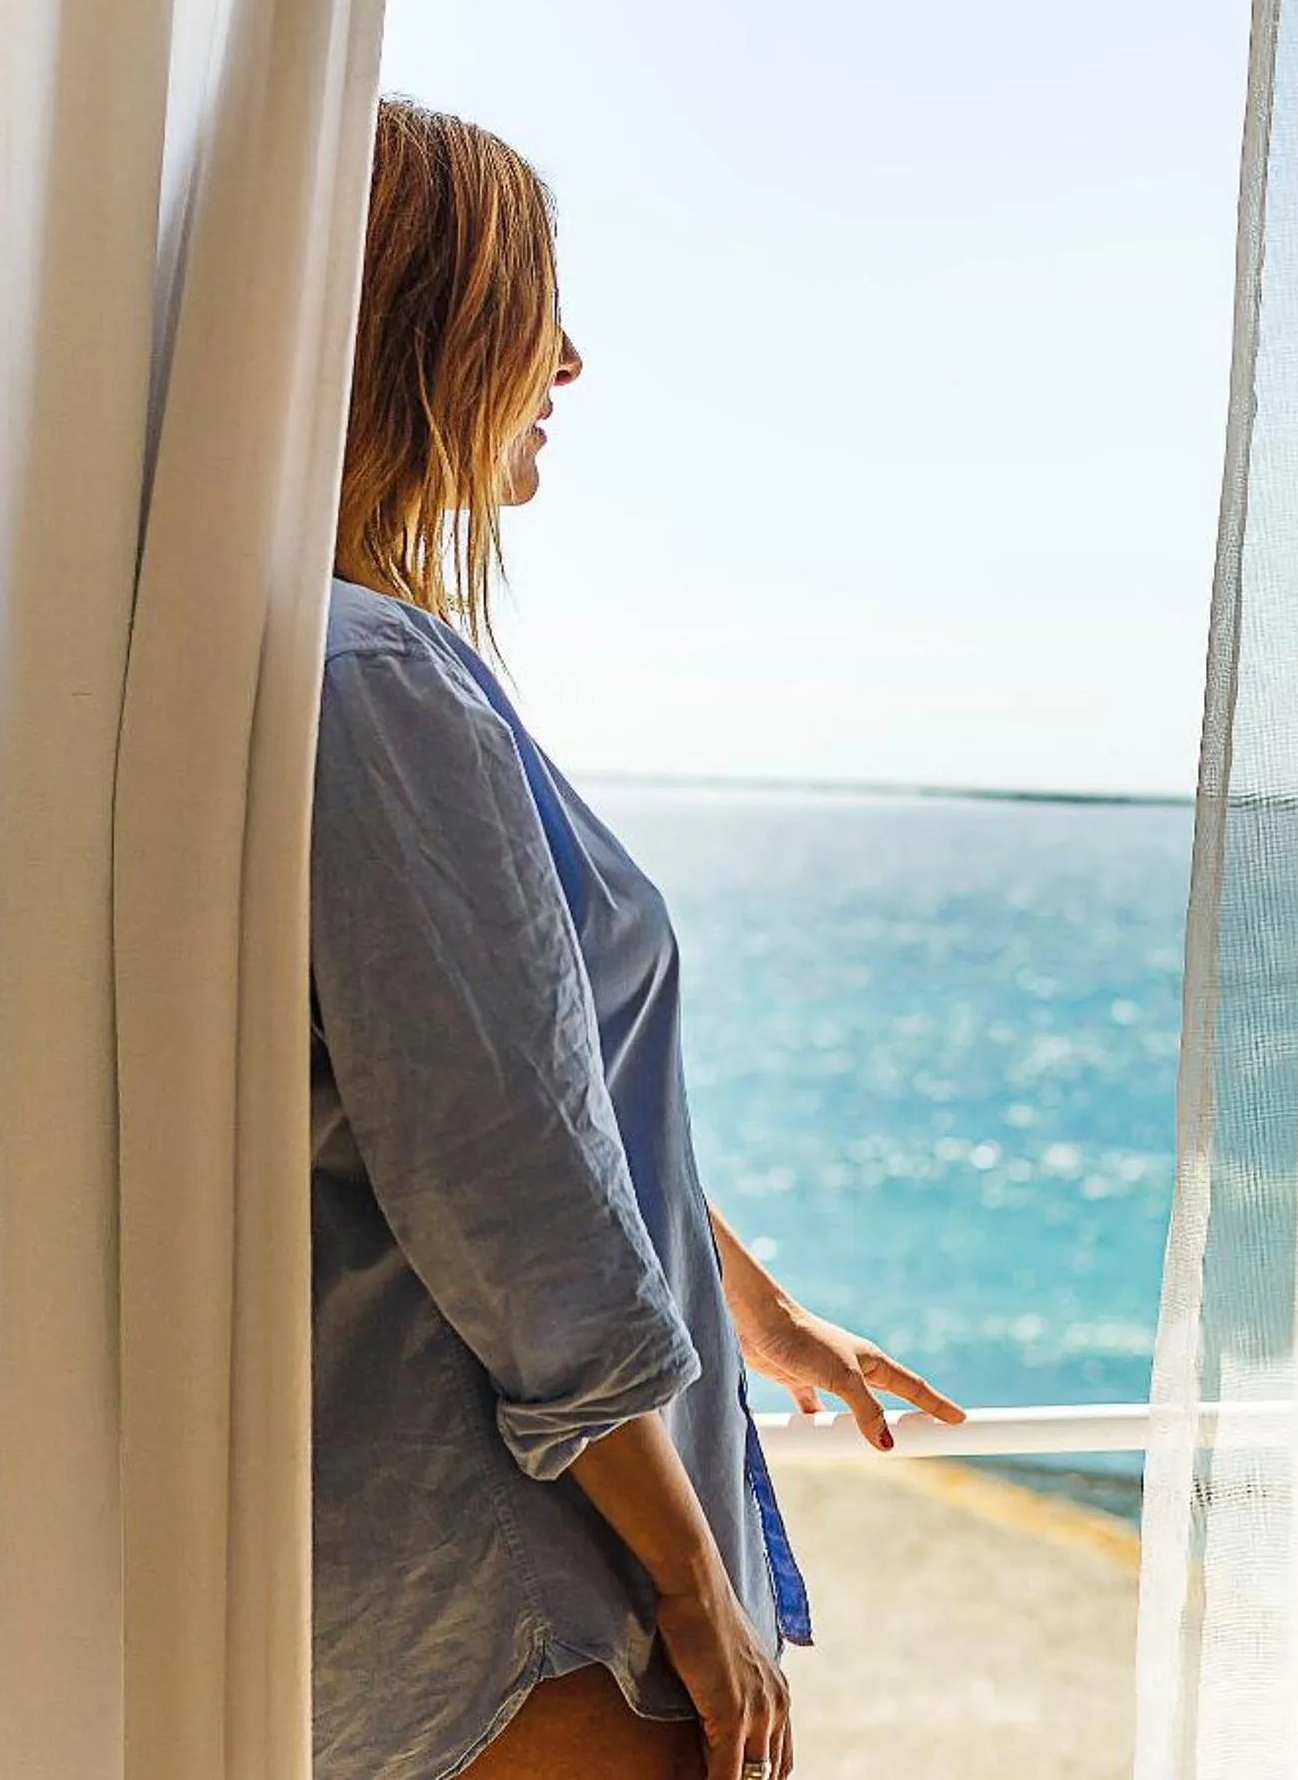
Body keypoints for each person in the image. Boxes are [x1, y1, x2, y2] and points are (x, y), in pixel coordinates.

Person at [310, 98, 964, 1780]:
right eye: (533, 312)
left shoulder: (338, 662)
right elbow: (506, 1181)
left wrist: (743, 1296)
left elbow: (520, 1085)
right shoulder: (375, 680)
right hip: (528, 1590)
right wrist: (689, 1584)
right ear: (415, 335)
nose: (574, 365)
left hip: (486, 1576)